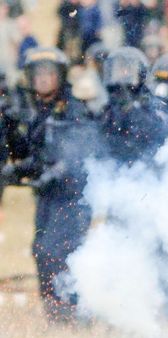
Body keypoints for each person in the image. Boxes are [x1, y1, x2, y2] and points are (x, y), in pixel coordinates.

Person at [1, 47, 95, 322]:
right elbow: (37, 155)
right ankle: (55, 313)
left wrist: (55, 173)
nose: (42, 79)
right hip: (47, 197)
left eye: (48, 74)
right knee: (41, 251)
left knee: (60, 252)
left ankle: (74, 312)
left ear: (60, 76)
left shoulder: (73, 109)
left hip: (72, 196)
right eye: (37, 74)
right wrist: (17, 170)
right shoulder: (33, 112)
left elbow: (79, 152)